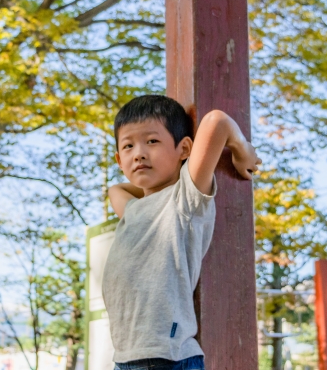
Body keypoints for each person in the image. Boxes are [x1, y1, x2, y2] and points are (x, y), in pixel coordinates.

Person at [102, 95, 261, 370]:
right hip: (125, 358)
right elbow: (115, 190)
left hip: (168, 356)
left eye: (152, 141)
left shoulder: (184, 200)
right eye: (128, 146)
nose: (139, 153)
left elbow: (216, 121)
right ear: (119, 159)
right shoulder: (134, 211)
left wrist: (242, 148)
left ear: (185, 148)